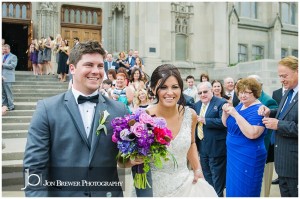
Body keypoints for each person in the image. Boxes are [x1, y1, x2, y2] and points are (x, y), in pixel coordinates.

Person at [23, 41, 129, 197]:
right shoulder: (46, 109)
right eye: (89, 65)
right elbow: (34, 167)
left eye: (100, 66)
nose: (96, 71)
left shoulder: (119, 110)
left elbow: (124, 157)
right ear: (72, 68)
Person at [128, 64, 217, 197]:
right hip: (152, 189)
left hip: (186, 186)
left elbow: (192, 143)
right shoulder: (141, 118)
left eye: (175, 87)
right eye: (163, 87)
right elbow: (122, 160)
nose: (170, 92)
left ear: (181, 89)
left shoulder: (190, 115)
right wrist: (131, 160)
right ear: (153, 89)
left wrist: (197, 168)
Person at [258, 56, 298, 197]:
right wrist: (270, 112)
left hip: (295, 164)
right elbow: (284, 112)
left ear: (297, 71)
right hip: (282, 162)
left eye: (284, 76)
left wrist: (278, 125)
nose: (281, 80)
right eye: (279, 76)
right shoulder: (288, 91)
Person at [222, 77, 267, 197]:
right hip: (233, 154)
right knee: (233, 188)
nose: (243, 95)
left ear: (255, 92)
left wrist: (235, 114)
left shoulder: (259, 109)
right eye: (241, 92)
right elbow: (226, 124)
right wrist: (225, 113)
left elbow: (252, 133)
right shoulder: (240, 105)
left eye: (247, 92)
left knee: (245, 189)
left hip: (248, 155)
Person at [193, 81, 227, 197]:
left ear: (211, 90)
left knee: (217, 178)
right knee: (207, 176)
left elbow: (224, 123)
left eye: (205, 92)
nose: (202, 94)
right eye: (200, 93)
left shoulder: (221, 103)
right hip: (202, 148)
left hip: (216, 148)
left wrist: (205, 120)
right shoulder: (196, 105)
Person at [248, 74, 278, 197]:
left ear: (260, 86)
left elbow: (271, 125)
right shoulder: (246, 99)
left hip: (263, 148)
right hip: (249, 148)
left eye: (252, 85)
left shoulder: (268, 101)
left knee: (263, 184)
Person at [2, 44, 18, 111]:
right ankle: (4, 106)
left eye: (5, 49)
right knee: (3, 93)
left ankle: (11, 106)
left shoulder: (13, 57)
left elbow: (13, 66)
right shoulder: (2, 56)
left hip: (8, 78)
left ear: (9, 49)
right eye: (3, 49)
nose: (4, 50)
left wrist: (3, 64)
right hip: (2, 77)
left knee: (8, 92)